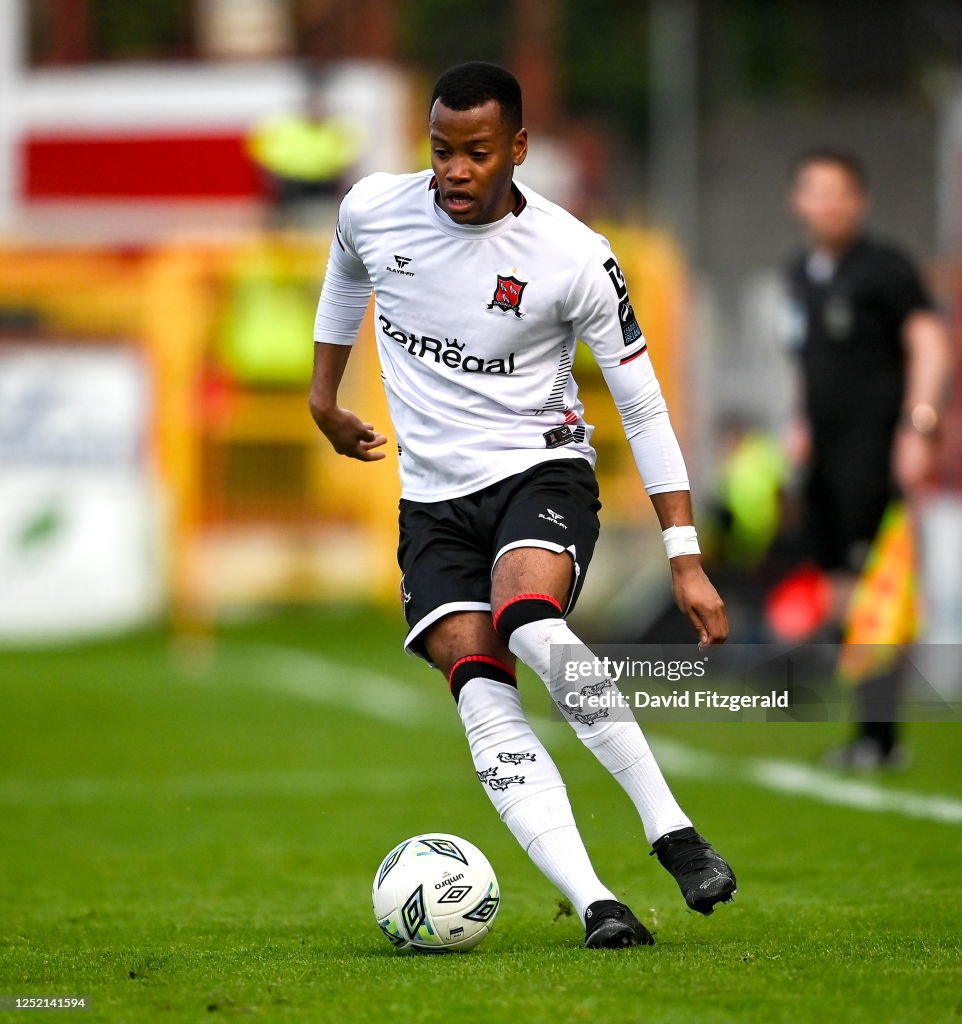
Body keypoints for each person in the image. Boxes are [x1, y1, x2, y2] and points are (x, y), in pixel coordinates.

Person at [310, 62, 735, 949]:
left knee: (530, 621)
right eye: (440, 151)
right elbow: (347, 272)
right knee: (479, 685)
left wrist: (684, 556)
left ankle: (673, 832)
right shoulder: (375, 209)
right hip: (431, 505)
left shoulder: (574, 257)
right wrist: (324, 396)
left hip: (538, 473)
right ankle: (595, 904)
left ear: (518, 150)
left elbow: (643, 404)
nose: (454, 171)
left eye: (475, 152)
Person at [784, 148, 953, 768]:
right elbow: (807, 360)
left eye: (840, 191)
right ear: (798, 201)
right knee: (837, 591)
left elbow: (929, 343)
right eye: (816, 190)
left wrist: (919, 426)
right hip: (824, 452)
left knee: (876, 587)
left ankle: (881, 739)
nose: (828, 203)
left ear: (859, 200)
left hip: (873, 446)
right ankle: (865, 732)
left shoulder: (884, 268)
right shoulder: (801, 273)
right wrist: (800, 422)